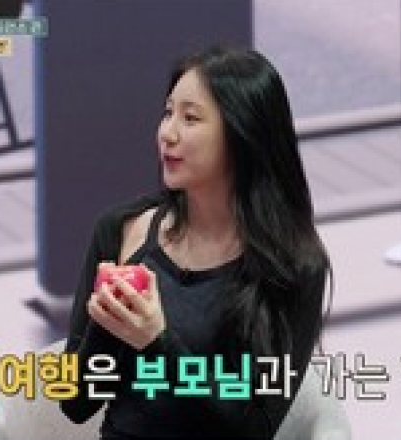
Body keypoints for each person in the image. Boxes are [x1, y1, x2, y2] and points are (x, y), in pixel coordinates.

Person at [59, 46, 331, 439]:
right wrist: (108, 323)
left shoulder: (294, 264)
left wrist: (157, 341)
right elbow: (74, 403)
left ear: (242, 134)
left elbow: (255, 427)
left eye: (190, 118)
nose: (167, 133)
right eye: (168, 113)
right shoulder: (122, 231)